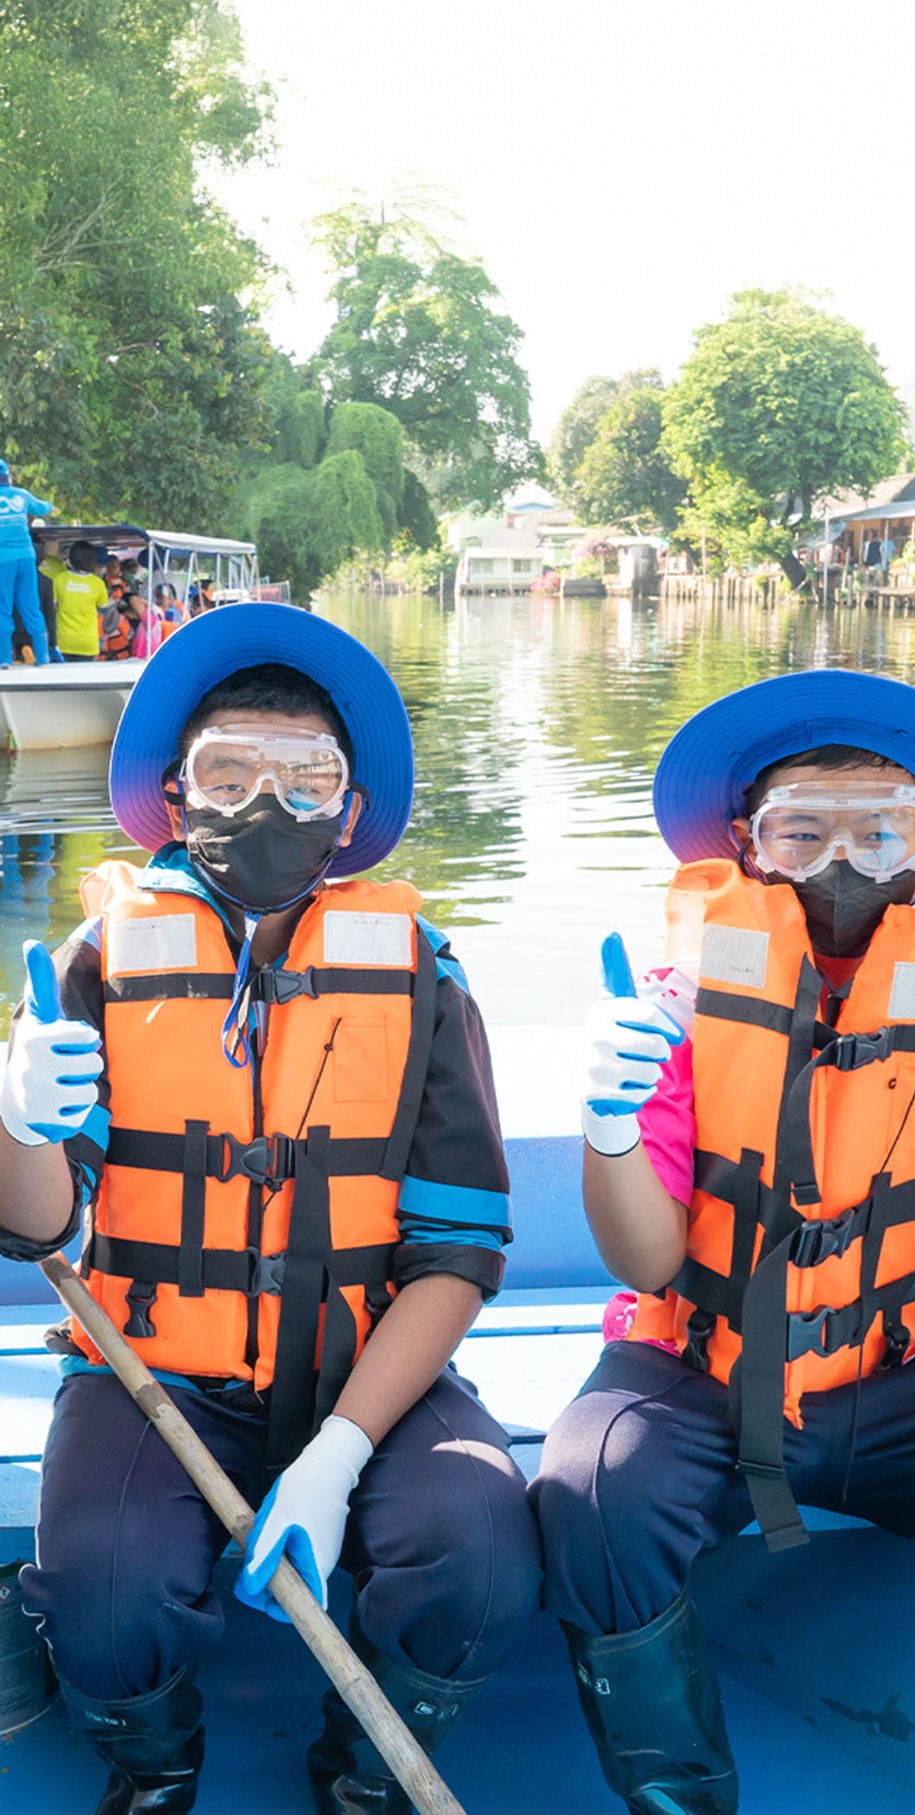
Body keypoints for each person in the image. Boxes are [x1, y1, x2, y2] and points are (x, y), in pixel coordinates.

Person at [0, 602, 541, 1814]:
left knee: (483, 1549)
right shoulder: (98, 961)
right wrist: (21, 1117)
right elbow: (38, 1233)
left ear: (349, 815)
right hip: (156, 1375)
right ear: (177, 801)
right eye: (227, 771)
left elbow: (459, 1251)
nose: (265, 805)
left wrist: (341, 1452)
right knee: (99, 1582)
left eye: (306, 779)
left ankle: (364, 1782)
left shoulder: (424, 975)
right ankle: (156, 1768)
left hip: (365, 1372)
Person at [532, 668, 915, 1815]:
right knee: (591, 1493)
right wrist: (609, 1123)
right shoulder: (676, 1010)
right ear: (748, 845)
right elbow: (643, 1265)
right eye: (803, 830)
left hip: (896, 1378)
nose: (847, 860)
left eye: (888, 831)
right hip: (695, 1371)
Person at [0, 456, 53, 665]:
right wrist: (51, 505)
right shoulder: (21, 495)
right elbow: (43, 508)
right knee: (31, 607)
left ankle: (4, 660)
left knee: (3, 608)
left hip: (3, 561)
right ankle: (43, 658)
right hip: (26, 556)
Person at [40, 538, 110, 662]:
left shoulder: (59, 579)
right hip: (88, 642)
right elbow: (102, 608)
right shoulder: (98, 583)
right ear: (92, 561)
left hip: (63, 641)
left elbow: (52, 609)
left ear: (71, 558)